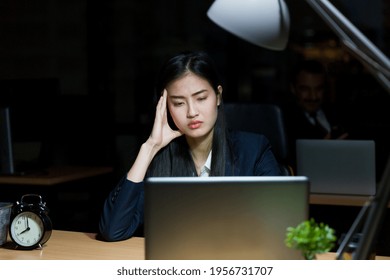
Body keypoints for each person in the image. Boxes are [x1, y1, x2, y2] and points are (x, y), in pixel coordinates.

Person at [99, 51, 282, 242]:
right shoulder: (158, 159)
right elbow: (113, 230)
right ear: (165, 107)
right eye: (178, 103)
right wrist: (150, 147)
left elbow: (280, 225)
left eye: (201, 98)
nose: (192, 112)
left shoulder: (253, 150)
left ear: (218, 96)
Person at [282, 59, 348, 170]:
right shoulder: (284, 123)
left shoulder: (339, 114)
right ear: (293, 89)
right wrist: (320, 152)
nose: (313, 97)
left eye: (318, 89)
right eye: (305, 89)